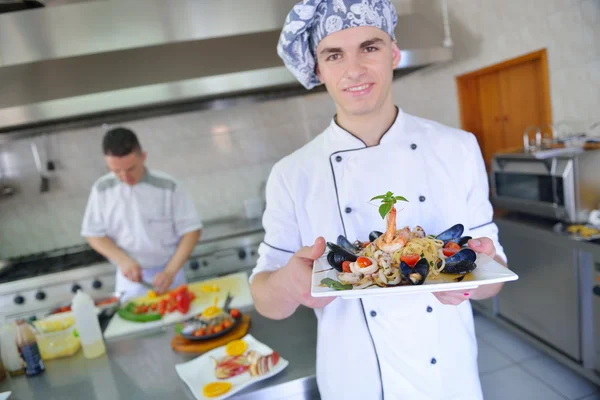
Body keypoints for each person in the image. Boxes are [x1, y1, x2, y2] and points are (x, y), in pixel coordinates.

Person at [249, 1, 509, 399]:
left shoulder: (458, 148)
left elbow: (494, 281)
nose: (353, 69)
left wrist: (475, 275)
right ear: (318, 69)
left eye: (369, 47)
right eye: (333, 55)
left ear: (393, 53)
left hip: (448, 380)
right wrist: (287, 284)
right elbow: (267, 300)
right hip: (355, 384)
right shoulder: (292, 174)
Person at [81, 127, 202, 301]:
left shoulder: (168, 186)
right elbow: (93, 234)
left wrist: (170, 271)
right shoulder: (101, 189)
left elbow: (192, 231)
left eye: (131, 169)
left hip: (170, 273)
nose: (124, 177)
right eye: (116, 171)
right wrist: (122, 260)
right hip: (129, 279)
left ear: (143, 157)